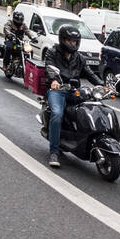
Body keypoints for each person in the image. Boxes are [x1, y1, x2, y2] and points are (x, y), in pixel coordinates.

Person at [43, 24, 102, 169]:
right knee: (57, 114)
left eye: (75, 41)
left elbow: (90, 74)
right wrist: (54, 81)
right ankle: (54, 152)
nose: (72, 44)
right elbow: (49, 68)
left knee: (93, 107)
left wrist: (103, 85)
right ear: (63, 40)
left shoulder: (79, 58)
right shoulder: (52, 52)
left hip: (74, 91)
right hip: (58, 90)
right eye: (70, 41)